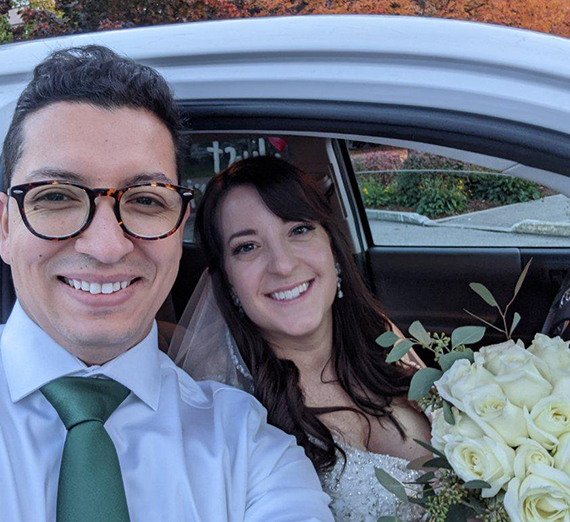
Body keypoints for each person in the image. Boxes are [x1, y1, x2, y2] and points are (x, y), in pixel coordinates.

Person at [0, 46, 334, 522]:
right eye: (55, 196)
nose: (106, 245)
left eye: (146, 201)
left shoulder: (247, 442)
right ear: (5, 228)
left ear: (179, 228)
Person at [169, 156, 432, 521]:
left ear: (333, 248)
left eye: (299, 230)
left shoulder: (382, 337)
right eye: (247, 247)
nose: (282, 264)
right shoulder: (222, 408)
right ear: (228, 283)